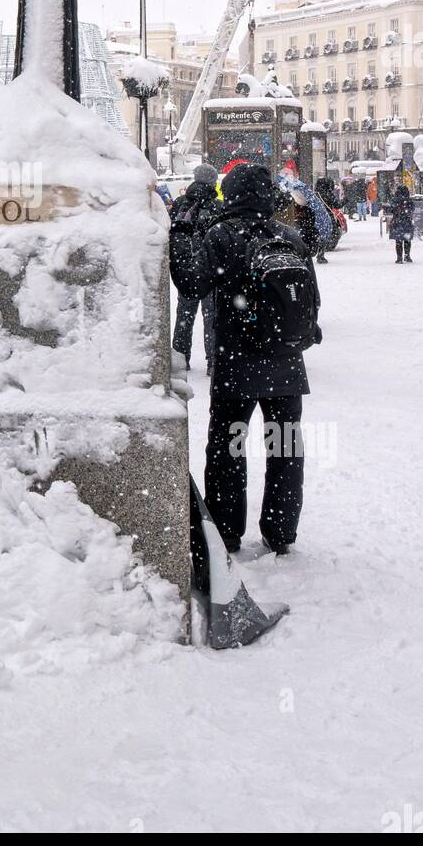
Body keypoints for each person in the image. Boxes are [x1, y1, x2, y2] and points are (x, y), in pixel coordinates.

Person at [170, 163, 321, 555]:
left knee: (229, 447)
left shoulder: (222, 236)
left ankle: (226, 530)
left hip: (238, 363)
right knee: (285, 447)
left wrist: (182, 234)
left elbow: (191, 283)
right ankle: (281, 531)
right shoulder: (288, 237)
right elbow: (312, 304)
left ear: (231, 195)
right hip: (287, 365)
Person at [170, 163, 220, 371]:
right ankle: (213, 359)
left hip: (186, 265)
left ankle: (180, 358)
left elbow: (172, 232)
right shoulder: (218, 206)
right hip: (209, 268)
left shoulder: (181, 203)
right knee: (212, 316)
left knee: (184, 315)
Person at [387, 183, 414, 263]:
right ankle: (407, 256)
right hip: (407, 222)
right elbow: (412, 209)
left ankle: (399, 258)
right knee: (407, 240)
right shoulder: (409, 200)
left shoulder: (394, 200)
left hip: (397, 222)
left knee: (398, 241)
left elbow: (391, 210)